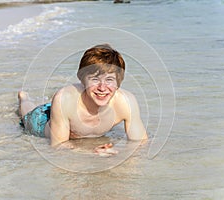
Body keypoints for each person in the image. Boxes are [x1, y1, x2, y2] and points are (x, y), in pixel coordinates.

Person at [18, 44, 147, 156]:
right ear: (82, 79)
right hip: (42, 120)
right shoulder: (64, 99)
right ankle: (24, 98)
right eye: (95, 79)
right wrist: (90, 151)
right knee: (26, 114)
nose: (102, 88)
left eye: (109, 80)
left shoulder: (126, 102)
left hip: (64, 110)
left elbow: (140, 143)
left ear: (118, 82)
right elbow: (57, 146)